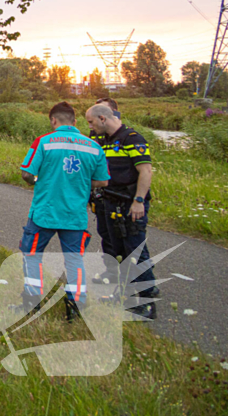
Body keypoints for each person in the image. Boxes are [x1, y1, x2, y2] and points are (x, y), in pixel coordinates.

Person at [18, 102, 110, 321]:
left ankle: (32, 301)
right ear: (75, 122)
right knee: (74, 260)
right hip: (75, 214)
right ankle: (75, 306)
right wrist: (81, 183)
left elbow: (27, 174)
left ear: (53, 120)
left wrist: (40, 181)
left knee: (32, 255)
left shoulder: (44, 142)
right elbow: (102, 181)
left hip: (44, 212)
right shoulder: (94, 147)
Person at [85, 103, 158, 319]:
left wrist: (138, 200)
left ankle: (147, 301)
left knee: (135, 250)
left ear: (103, 118)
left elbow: (145, 171)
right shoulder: (104, 140)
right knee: (118, 250)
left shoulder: (132, 139)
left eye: (91, 122)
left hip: (130, 203)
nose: (90, 126)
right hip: (110, 202)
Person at [88, 97, 120, 280]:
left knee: (126, 237)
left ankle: (141, 279)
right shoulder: (94, 135)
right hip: (101, 193)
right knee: (105, 232)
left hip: (120, 194)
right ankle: (112, 271)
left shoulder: (125, 136)